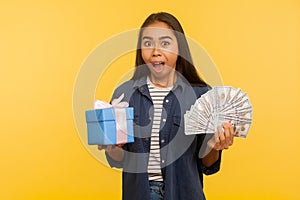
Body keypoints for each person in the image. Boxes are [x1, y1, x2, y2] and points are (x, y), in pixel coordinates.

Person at [98, 12, 235, 200]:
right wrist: (112, 146)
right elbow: (120, 160)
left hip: (185, 193)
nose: (155, 51)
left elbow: (207, 164)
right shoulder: (125, 94)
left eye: (165, 43)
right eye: (147, 43)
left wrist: (214, 145)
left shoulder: (201, 95)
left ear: (179, 48)